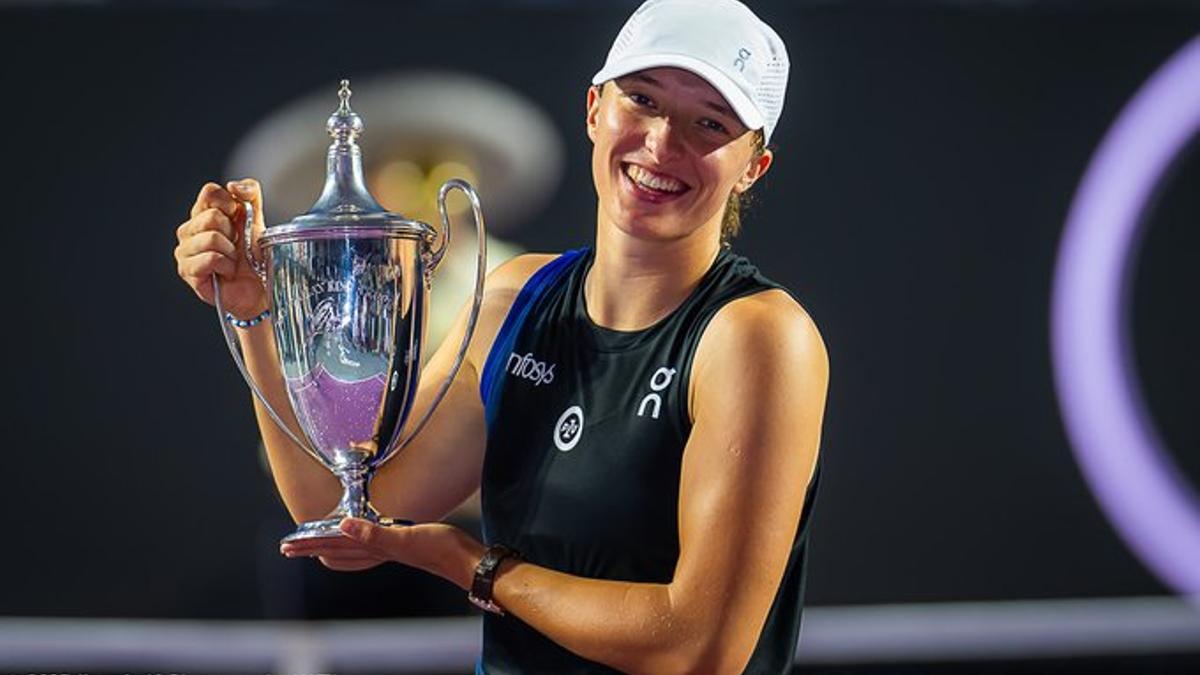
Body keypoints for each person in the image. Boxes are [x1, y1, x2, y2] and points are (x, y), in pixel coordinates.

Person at [174, 0, 827, 671]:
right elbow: (336, 504)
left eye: (710, 123)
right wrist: (255, 311)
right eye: (642, 99)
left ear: (753, 166)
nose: (662, 142)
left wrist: (476, 567)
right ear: (594, 109)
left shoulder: (759, 337)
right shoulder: (516, 299)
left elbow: (700, 648)